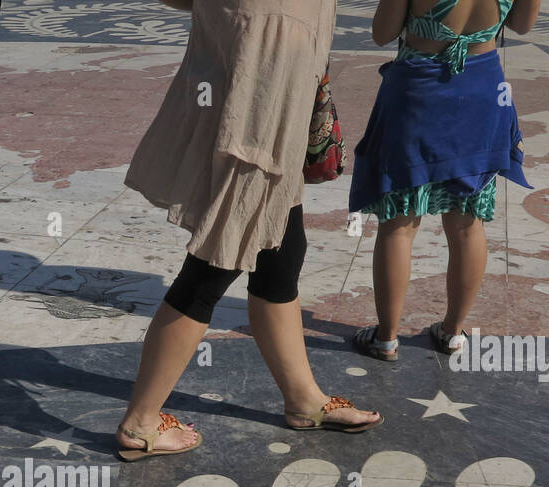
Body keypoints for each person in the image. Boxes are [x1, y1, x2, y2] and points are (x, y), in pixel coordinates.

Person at [116, 0, 382, 461]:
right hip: (262, 100)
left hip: (267, 81)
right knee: (216, 262)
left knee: (282, 251)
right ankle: (141, 422)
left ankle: (303, 398)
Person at [350, 0, 542, 361]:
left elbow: (382, 34)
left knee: (399, 224)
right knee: (468, 223)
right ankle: (453, 332)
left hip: (418, 90)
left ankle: (386, 338)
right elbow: (522, 25)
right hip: (484, 91)